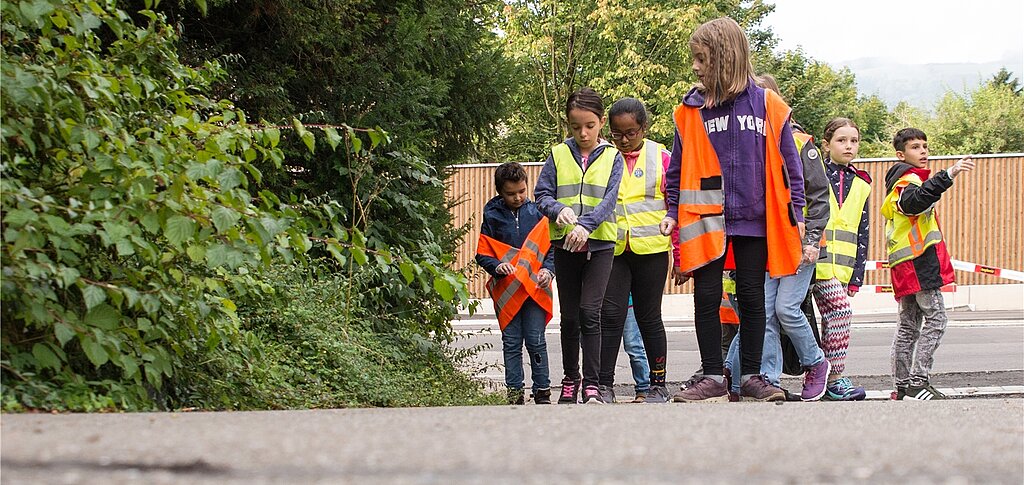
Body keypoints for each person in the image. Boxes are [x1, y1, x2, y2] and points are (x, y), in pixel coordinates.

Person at [662, 17, 806, 403]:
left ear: (725, 58)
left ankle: (753, 376)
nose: (695, 67)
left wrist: (800, 213)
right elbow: (675, 168)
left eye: (701, 59)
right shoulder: (690, 110)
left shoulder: (768, 105)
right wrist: (672, 210)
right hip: (706, 219)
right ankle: (712, 375)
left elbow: (791, 165)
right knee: (706, 297)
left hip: (757, 218)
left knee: (752, 296)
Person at [723, 74, 833, 401]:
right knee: (763, 312)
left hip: (800, 246)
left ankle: (816, 363)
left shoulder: (799, 142)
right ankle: (758, 376)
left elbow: (819, 197)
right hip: (769, 245)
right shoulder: (752, 144)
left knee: (785, 309)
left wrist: (812, 240)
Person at [535, 87, 624, 404]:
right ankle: (571, 379)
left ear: (601, 122)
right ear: (568, 125)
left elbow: (609, 200)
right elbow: (541, 196)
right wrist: (559, 211)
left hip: (600, 245)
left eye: (589, 125)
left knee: (590, 312)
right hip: (565, 247)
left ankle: (593, 384)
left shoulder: (614, 157)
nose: (583, 133)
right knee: (570, 316)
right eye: (575, 127)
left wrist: (586, 226)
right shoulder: (558, 155)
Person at [882, 128, 975, 400]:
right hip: (918, 263)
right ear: (901, 154)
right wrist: (949, 174)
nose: (923, 151)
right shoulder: (906, 180)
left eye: (924, 146)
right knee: (937, 320)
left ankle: (901, 386)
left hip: (906, 264)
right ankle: (918, 381)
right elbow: (913, 203)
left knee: (908, 326)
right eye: (915, 147)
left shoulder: (904, 180)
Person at [597, 97, 674, 404]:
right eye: (617, 134)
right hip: (613, 249)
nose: (625, 140)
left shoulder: (662, 156)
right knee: (611, 315)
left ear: (644, 127)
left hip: (651, 249)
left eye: (631, 133)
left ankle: (658, 385)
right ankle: (603, 385)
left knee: (649, 317)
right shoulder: (602, 157)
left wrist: (679, 256)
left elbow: (676, 205)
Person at [475, 162, 555, 405]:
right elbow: (483, 252)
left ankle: (542, 390)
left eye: (521, 191)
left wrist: (549, 271)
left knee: (536, 339)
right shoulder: (492, 214)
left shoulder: (538, 213)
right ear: (500, 191)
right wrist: (496, 267)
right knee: (511, 341)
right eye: (510, 194)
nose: (518, 197)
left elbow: (551, 248)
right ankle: (514, 391)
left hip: (534, 289)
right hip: (507, 289)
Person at [810, 118, 870, 401]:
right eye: (841, 140)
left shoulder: (862, 184)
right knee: (840, 312)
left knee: (831, 318)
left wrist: (857, 275)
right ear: (826, 144)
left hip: (842, 269)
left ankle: (824, 378)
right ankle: (833, 377)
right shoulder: (815, 172)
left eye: (854, 141)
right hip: (813, 262)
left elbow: (863, 232)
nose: (848, 146)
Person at [622, 297, 651, 403]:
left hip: (629, 302)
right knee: (600, 346)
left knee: (633, 346)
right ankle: (602, 386)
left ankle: (643, 388)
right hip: (602, 302)